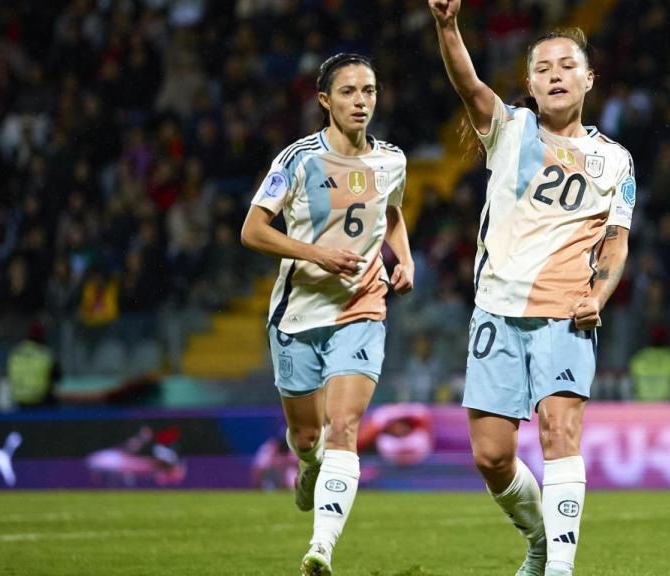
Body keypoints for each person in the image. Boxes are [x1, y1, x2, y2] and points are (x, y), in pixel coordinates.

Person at [429, 3, 636, 575]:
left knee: (560, 431)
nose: (555, 75)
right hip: (496, 312)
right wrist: (447, 27)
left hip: (565, 314)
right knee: (492, 456)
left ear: (588, 79)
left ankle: (560, 569)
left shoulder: (614, 161)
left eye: (567, 66)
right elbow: (468, 83)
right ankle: (541, 542)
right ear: (529, 82)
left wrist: (598, 295)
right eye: (543, 68)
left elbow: (616, 243)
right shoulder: (510, 129)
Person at [240, 52, 414, 576]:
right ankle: (308, 465)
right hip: (298, 315)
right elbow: (252, 230)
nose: (361, 101)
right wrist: (316, 254)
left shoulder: (392, 160)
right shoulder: (297, 160)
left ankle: (321, 548)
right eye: (348, 92)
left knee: (343, 426)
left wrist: (404, 259)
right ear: (324, 100)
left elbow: (392, 211)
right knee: (307, 438)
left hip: (361, 307)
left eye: (369, 91)